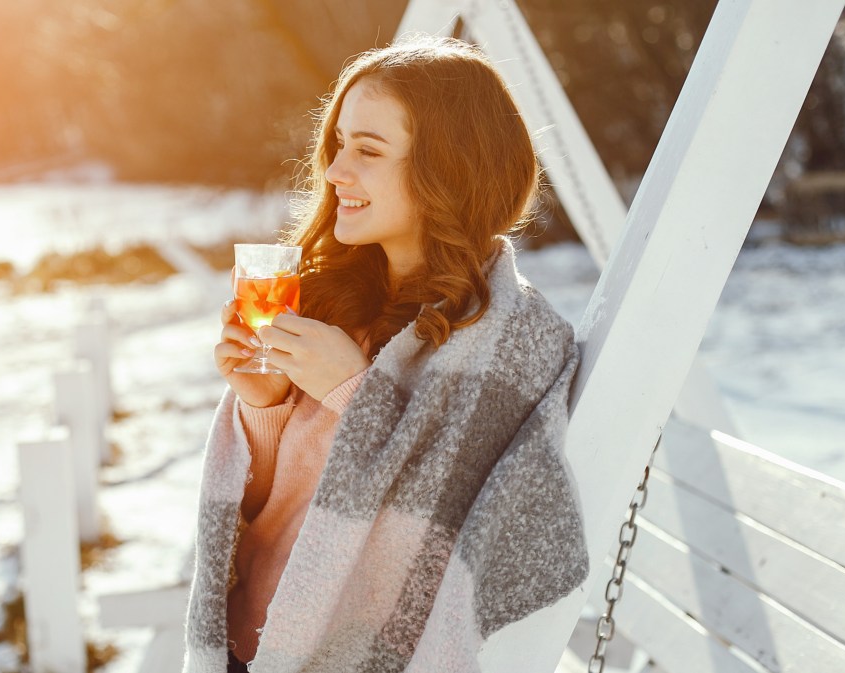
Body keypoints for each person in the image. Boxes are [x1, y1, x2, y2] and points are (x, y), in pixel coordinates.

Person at [187, 34, 589, 673]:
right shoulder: (326, 300)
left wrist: (353, 391)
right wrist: (263, 412)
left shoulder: (511, 341)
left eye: (367, 150)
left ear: (449, 168)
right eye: (339, 143)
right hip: (250, 647)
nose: (334, 171)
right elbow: (271, 511)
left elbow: (453, 527)